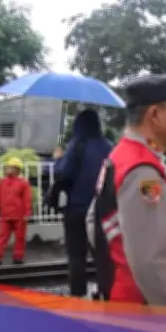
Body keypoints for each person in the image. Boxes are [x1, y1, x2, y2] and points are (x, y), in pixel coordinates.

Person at [86, 74, 166, 308]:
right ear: (155, 115)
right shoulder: (143, 172)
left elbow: (91, 222)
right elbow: (152, 265)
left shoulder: (122, 156)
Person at [53, 108, 113, 297]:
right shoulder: (110, 147)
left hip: (77, 209)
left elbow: (62, 173)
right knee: (103, 256)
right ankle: (105, 293)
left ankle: (78, 298)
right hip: (102, 210)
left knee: (76, 256)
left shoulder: (77, 145)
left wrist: (58, 159)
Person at [0, 158, 32, 266]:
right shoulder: (1, 182)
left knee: (20, 237)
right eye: (7, 167)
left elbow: (27, 199)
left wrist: (27, 214)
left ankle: (18, 258)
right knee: (1, 237)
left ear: (17, 169)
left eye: (10, 167)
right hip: (5, 216)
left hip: (19, 216)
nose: (7, 169)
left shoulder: (23, 183)